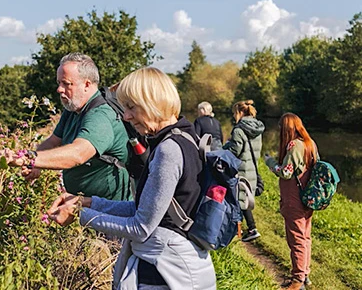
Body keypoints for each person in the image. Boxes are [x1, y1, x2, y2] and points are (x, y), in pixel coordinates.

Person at [46, 67, 216, 290]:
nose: (126, 116)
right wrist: (87, 202)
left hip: (167, 273)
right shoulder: (184, 138)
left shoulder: (169, 150)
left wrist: (80, 215)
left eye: (131, 107)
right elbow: (143, 208)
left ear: (151, 102)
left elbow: (140, 227)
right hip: (174, 265)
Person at [0, 52, 131, 200]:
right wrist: (36, 164)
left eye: (66, 83)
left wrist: (28, 159)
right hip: (88, 207)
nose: (59, 89)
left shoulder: (100, 116)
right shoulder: (73, 109)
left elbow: (78, 154)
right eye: (59, 83)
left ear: (87, 84)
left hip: (112, 211)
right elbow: (53, 141)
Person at [264, 113, 317, 290]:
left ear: (286, 129)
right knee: (305, 237)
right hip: (307, 198)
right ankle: (305, 273)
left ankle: (297, 280)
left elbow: (286, 172)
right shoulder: (310, 143)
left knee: (296, 239)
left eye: (281, 128)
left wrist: (270, 162)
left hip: (294, 198)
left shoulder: (294, 145)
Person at [222, 100, 264, 242]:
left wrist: (226, 145)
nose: (234, 116)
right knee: (244, 200)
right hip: (251, 167)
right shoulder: (257, 129)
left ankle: (238, 232)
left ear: (240, 113)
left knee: (237, 202)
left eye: (234, 113)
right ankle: (250, 229)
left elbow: (235, 151)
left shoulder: (239, 130)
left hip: (240, 169)